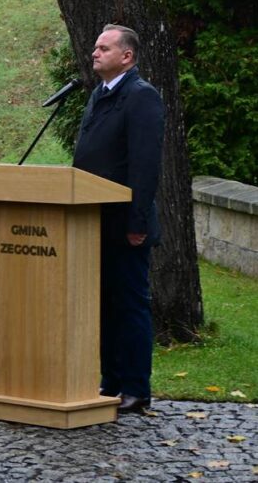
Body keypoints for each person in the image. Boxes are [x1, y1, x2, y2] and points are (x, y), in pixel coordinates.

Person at [72, 24, 164, 414]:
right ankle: (110, 382)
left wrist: (137, 222)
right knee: (104, 306)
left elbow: (144, 166)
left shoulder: (141, 97)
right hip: (95, 221)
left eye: (104, 48)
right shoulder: (100, 94)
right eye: (95, 47)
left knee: (129, 305)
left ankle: (135, 388)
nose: (95, 53)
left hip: (125, 225)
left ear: (126, 56)